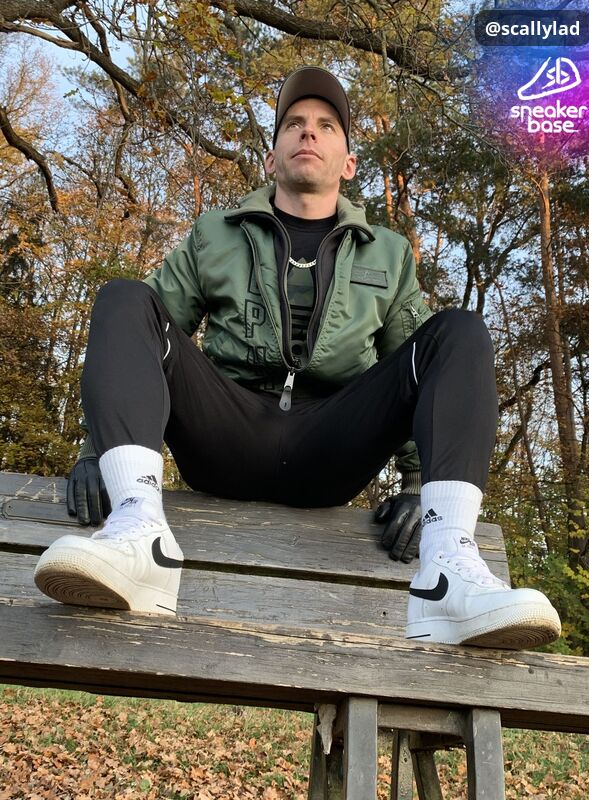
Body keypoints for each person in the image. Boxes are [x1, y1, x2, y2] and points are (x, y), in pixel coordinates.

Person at [34, 67, 561, 649]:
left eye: (327, 125)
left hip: (330, 446)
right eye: (294, 124)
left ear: (349, 162)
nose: (308, 132)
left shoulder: (388, 254)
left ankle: (449, 571)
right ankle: (138, 533)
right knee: (125, 298)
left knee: (458, 331)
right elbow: (141, 338)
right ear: (271, 157)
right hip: (225, 433)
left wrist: (417, 484)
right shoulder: (215, 235)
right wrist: (97, 452)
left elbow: (417, 370)